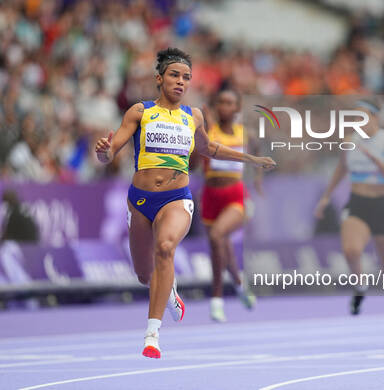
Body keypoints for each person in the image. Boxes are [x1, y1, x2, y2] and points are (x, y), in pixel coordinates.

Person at [95, 48, 276, 359]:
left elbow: (211, 148)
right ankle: (169, 288)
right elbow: (112, 151)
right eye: (174, 75)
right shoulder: (140, 112)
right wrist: (103, 153)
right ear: (159, 78)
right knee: (143, 274)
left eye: (186, 78)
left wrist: (251, 158)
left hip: (177, 199)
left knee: (165, 247)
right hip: (140, 201)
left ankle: (152, 334)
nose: (181, 82)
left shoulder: (193, 117)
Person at [314, 98, 384, 346]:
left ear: (375, 118)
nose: (357, 123)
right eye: (354, 118)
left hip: (383, 206)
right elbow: (341, 168)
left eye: (362, 117)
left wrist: (373, 157)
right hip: (358, 203)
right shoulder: (350, 141)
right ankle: (360, 284)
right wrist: (326, 196)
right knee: (351, 250)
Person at [200, 89, 259, 322]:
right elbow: (195, 163)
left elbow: (256, 155)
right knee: (222, 244)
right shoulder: (206, 132)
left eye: (230, 103)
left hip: (235, 196)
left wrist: (259, 182)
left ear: (237, 108)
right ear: (216, 107)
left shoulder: (247, 135)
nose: (225, 106)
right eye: (221, 102)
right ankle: (239, 282)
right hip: (210, 197)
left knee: (217, 236)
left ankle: (216, 300)